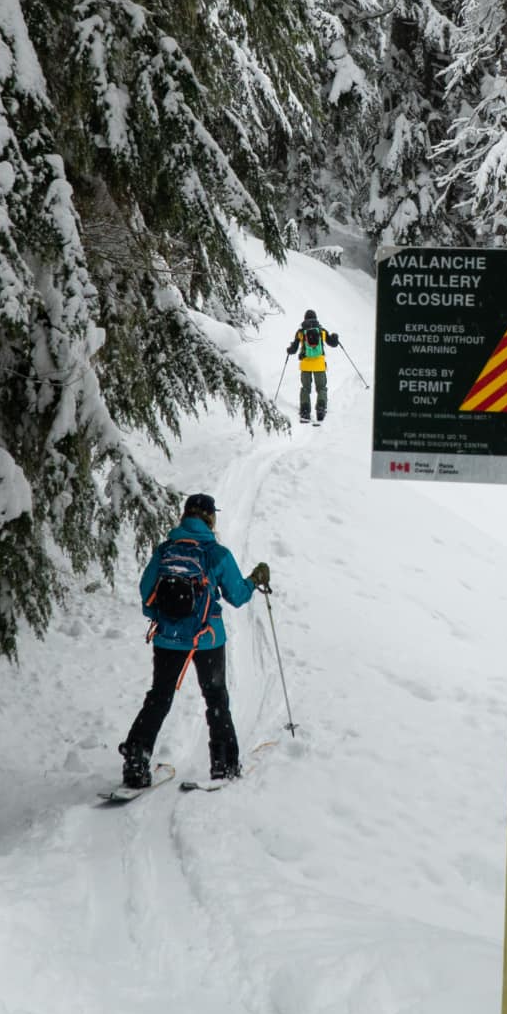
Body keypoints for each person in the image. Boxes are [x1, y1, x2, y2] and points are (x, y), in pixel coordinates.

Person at [119, 492, 271, 787]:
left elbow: (145, 592)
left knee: (159, 697)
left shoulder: (165, 550)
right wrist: (255, 579)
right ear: (211, 518)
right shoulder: (217, 554)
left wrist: (164, 617)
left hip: (168, 639)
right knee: (216, 698)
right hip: (208, 638)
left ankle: (136, 763)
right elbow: (237, 595)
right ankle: (224, 766)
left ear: (184, 515)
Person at [286, 308, 339, 423]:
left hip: (305, 366)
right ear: (316, 318)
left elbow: (293, 349)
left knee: (305, 389)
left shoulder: (300, 333)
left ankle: (305, 411)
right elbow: (333, 343)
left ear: (305, 319)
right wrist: (335, 337)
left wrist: (289, 349)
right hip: (319, 365)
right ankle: (321, 407)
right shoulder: (321, 331)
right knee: (321, 388)